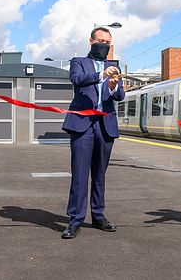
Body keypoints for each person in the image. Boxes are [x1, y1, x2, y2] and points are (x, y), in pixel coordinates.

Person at [61, 27, 125, 239]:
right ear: (91, 41)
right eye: (100, 40)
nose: (103, 45)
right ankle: (75, 220)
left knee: (99, 174)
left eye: (107, 42)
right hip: (82, 124)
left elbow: (120, 96)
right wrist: (100, 75)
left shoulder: (114, 67)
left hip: (105, 124)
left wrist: (114, 86)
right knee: (80, 174)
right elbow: (77, 80)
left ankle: (98, 216)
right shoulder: (78, 62)